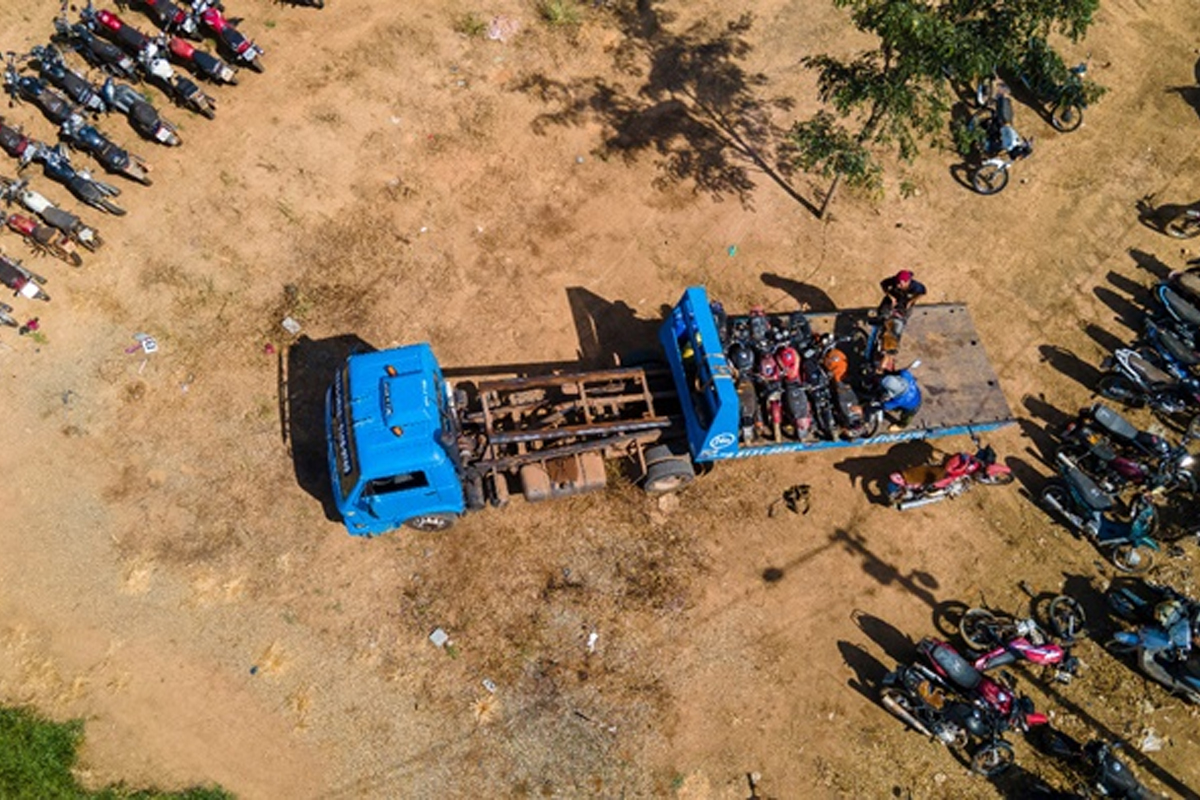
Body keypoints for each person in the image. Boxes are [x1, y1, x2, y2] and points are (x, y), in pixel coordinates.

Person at [878, 270, 927, 336]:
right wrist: (891, 297)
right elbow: (883, 284)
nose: (898, 285)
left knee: (900, 321)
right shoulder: (893, 280)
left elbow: (922, 293)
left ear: (908, 282)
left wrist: (911, 301)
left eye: (901, 284)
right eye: (897, 283)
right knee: (882, 315)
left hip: (905, 302)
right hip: (893, 298)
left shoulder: (916, 286)